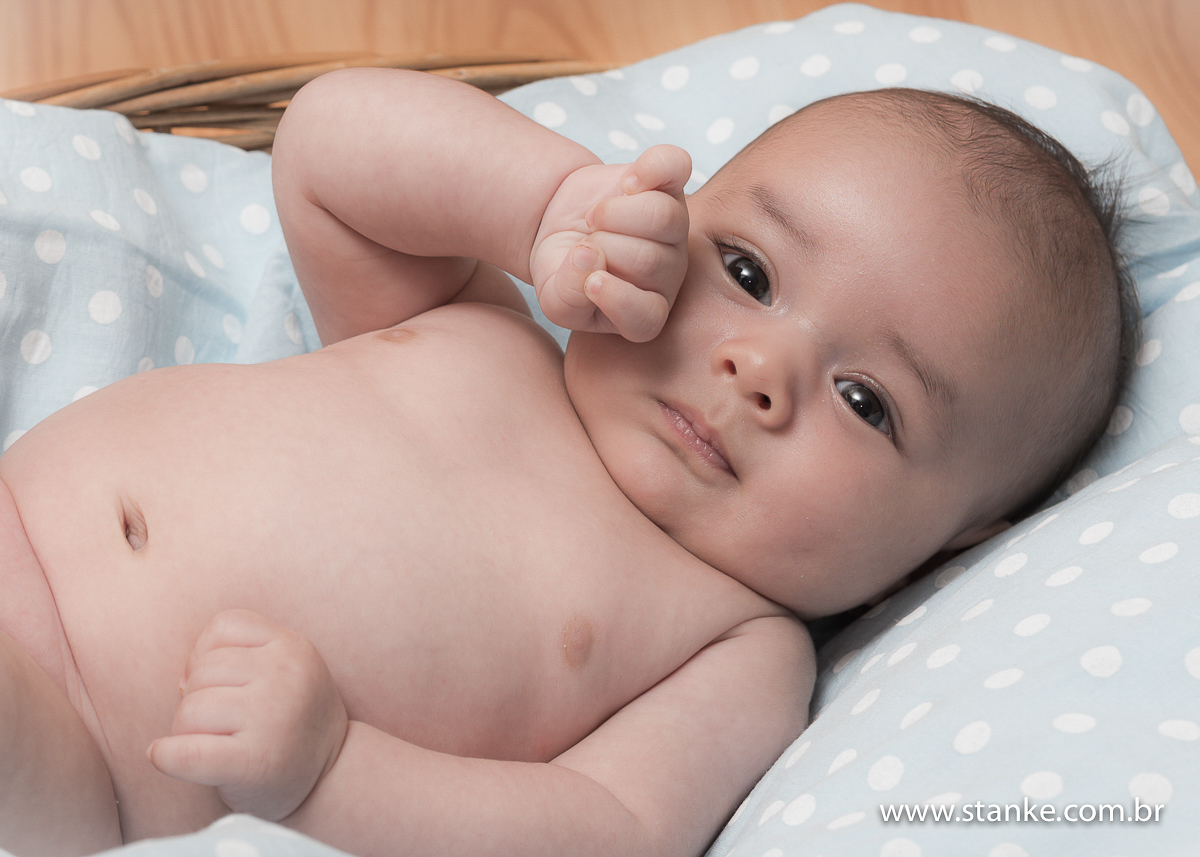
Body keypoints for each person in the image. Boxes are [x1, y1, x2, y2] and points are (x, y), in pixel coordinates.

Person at [0, 69, 1134, 857]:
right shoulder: (482, 321)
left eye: (864, 399)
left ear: (951, 539)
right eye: (745, 269)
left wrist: (333, 771)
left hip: (82, 758)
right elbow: (327, 150)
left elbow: (602, 828)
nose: (758, 370)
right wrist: (549, 205)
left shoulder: (735, 649)